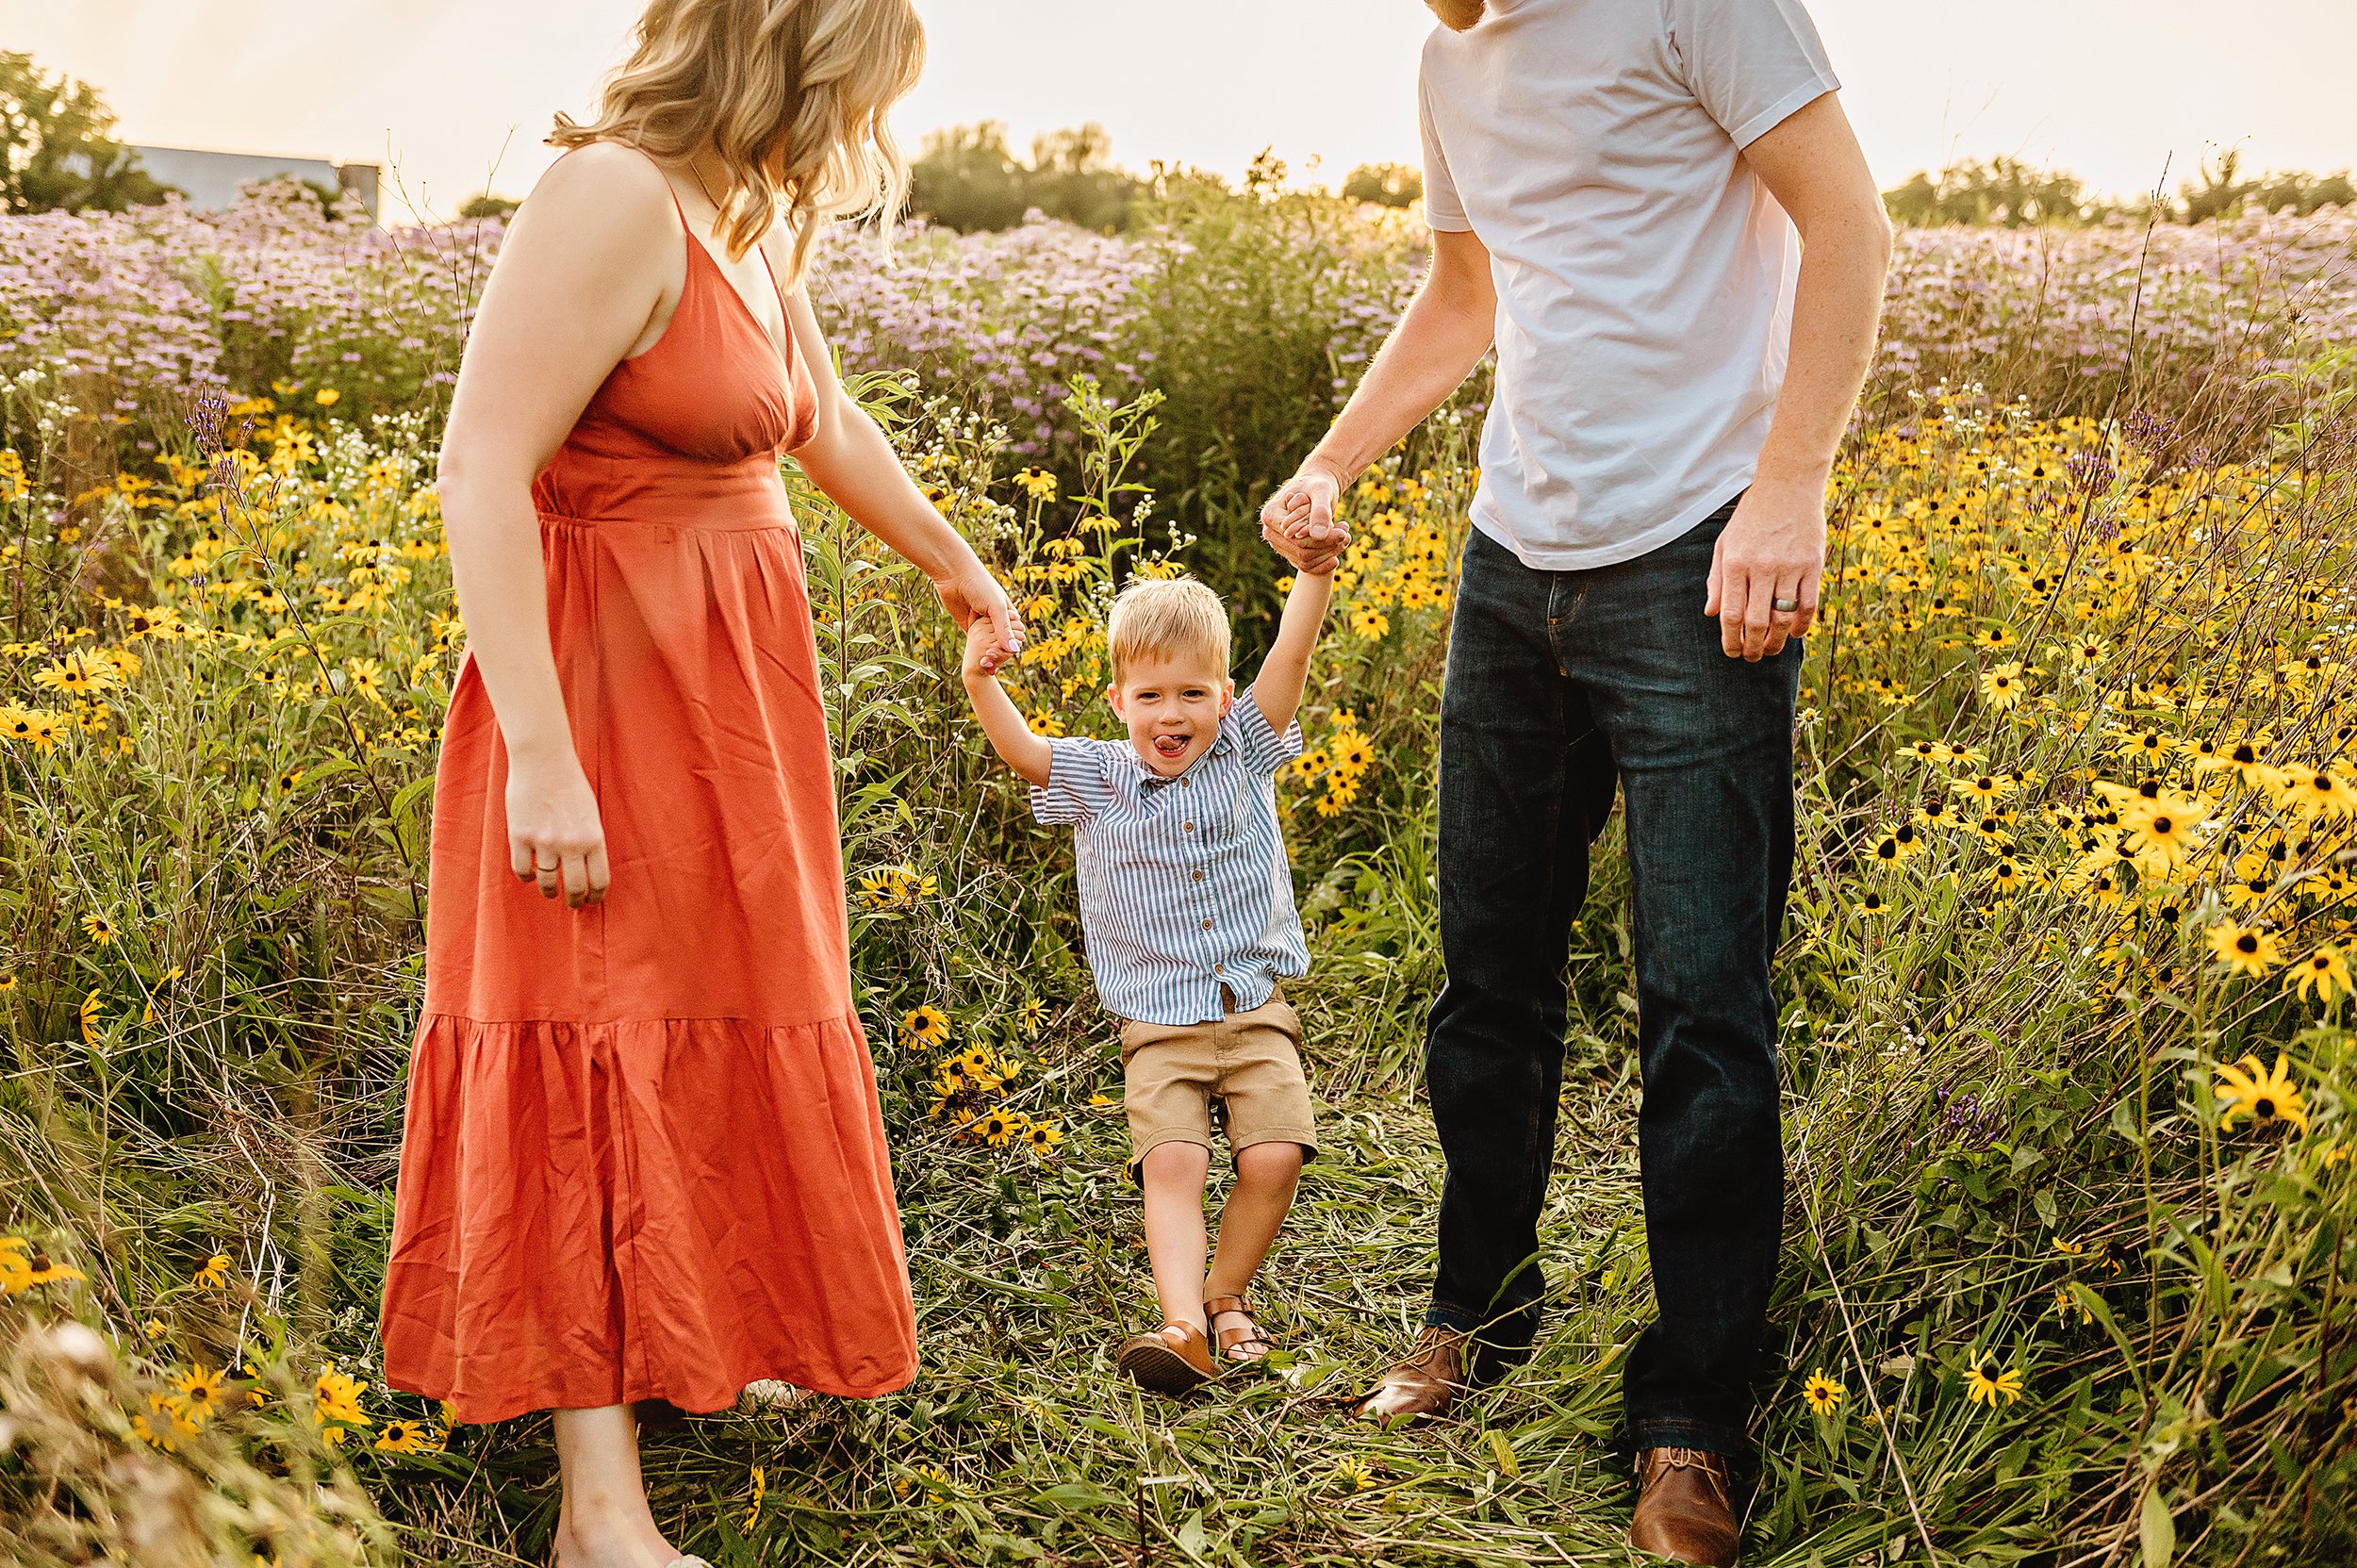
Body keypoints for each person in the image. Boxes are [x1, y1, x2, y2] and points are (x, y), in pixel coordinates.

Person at [378, 3, 1024, 1565]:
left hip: (728, 710)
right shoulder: (607, 193)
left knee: (696, 1023)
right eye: (858, 85)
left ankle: (675, 1344)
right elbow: (480, 464)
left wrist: (956, 564)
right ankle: (600, 1516)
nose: (863, 124)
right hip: (601, 698)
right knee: (590, 1037)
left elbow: (822, 418)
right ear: (782, 50)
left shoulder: (746, 212)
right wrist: (541, 750)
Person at [1261, 0, 1890, 1562]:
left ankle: (1690, 1420)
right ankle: (1478, 1308)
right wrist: (1336, 456)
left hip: (1698, 558)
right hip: (1510, 564)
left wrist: (1790, 487)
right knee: (1489, 979)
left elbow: (1851, 226)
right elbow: (1465, 291)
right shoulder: (1448, 59)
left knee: (1702, 1008)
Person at [959, 570, 1333, 1392]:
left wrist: (1314, 574)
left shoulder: (1245, 749)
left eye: (1193, 692)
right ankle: (1184, 1325)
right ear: (1119, 699)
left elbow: (1293, 657)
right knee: (1173, 1162)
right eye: (1152, 694)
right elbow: (1022, 751)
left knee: (1273, 1158)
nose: (1173, 715)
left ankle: (1227, 1291)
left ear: (1225, 696)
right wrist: (980, 679)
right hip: (1158, 1024)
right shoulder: (1099, 777)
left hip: (1253, 1004)